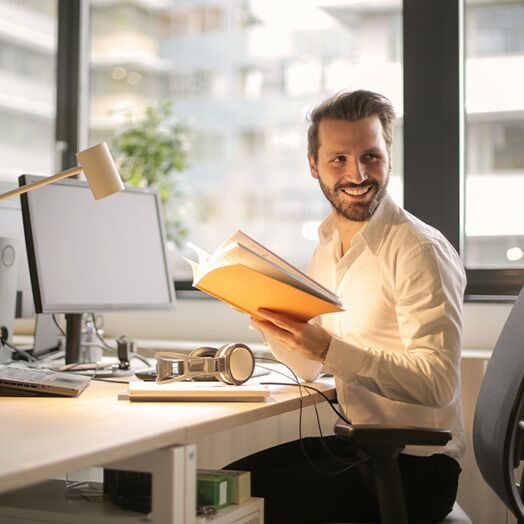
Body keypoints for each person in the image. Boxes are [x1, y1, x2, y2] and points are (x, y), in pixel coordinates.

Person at [227, 90, 466, 524]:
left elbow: (438, 383)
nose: (357, 173)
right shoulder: (327, 245)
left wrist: (327, 349)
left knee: (229, 506)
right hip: (361, 448)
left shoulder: (419, 250)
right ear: (313, 166)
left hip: (416, 469)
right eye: (339, 159)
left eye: (370, 156)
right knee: (221, 484)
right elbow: (308, 370)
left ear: (388, 155)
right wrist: (272, 323)